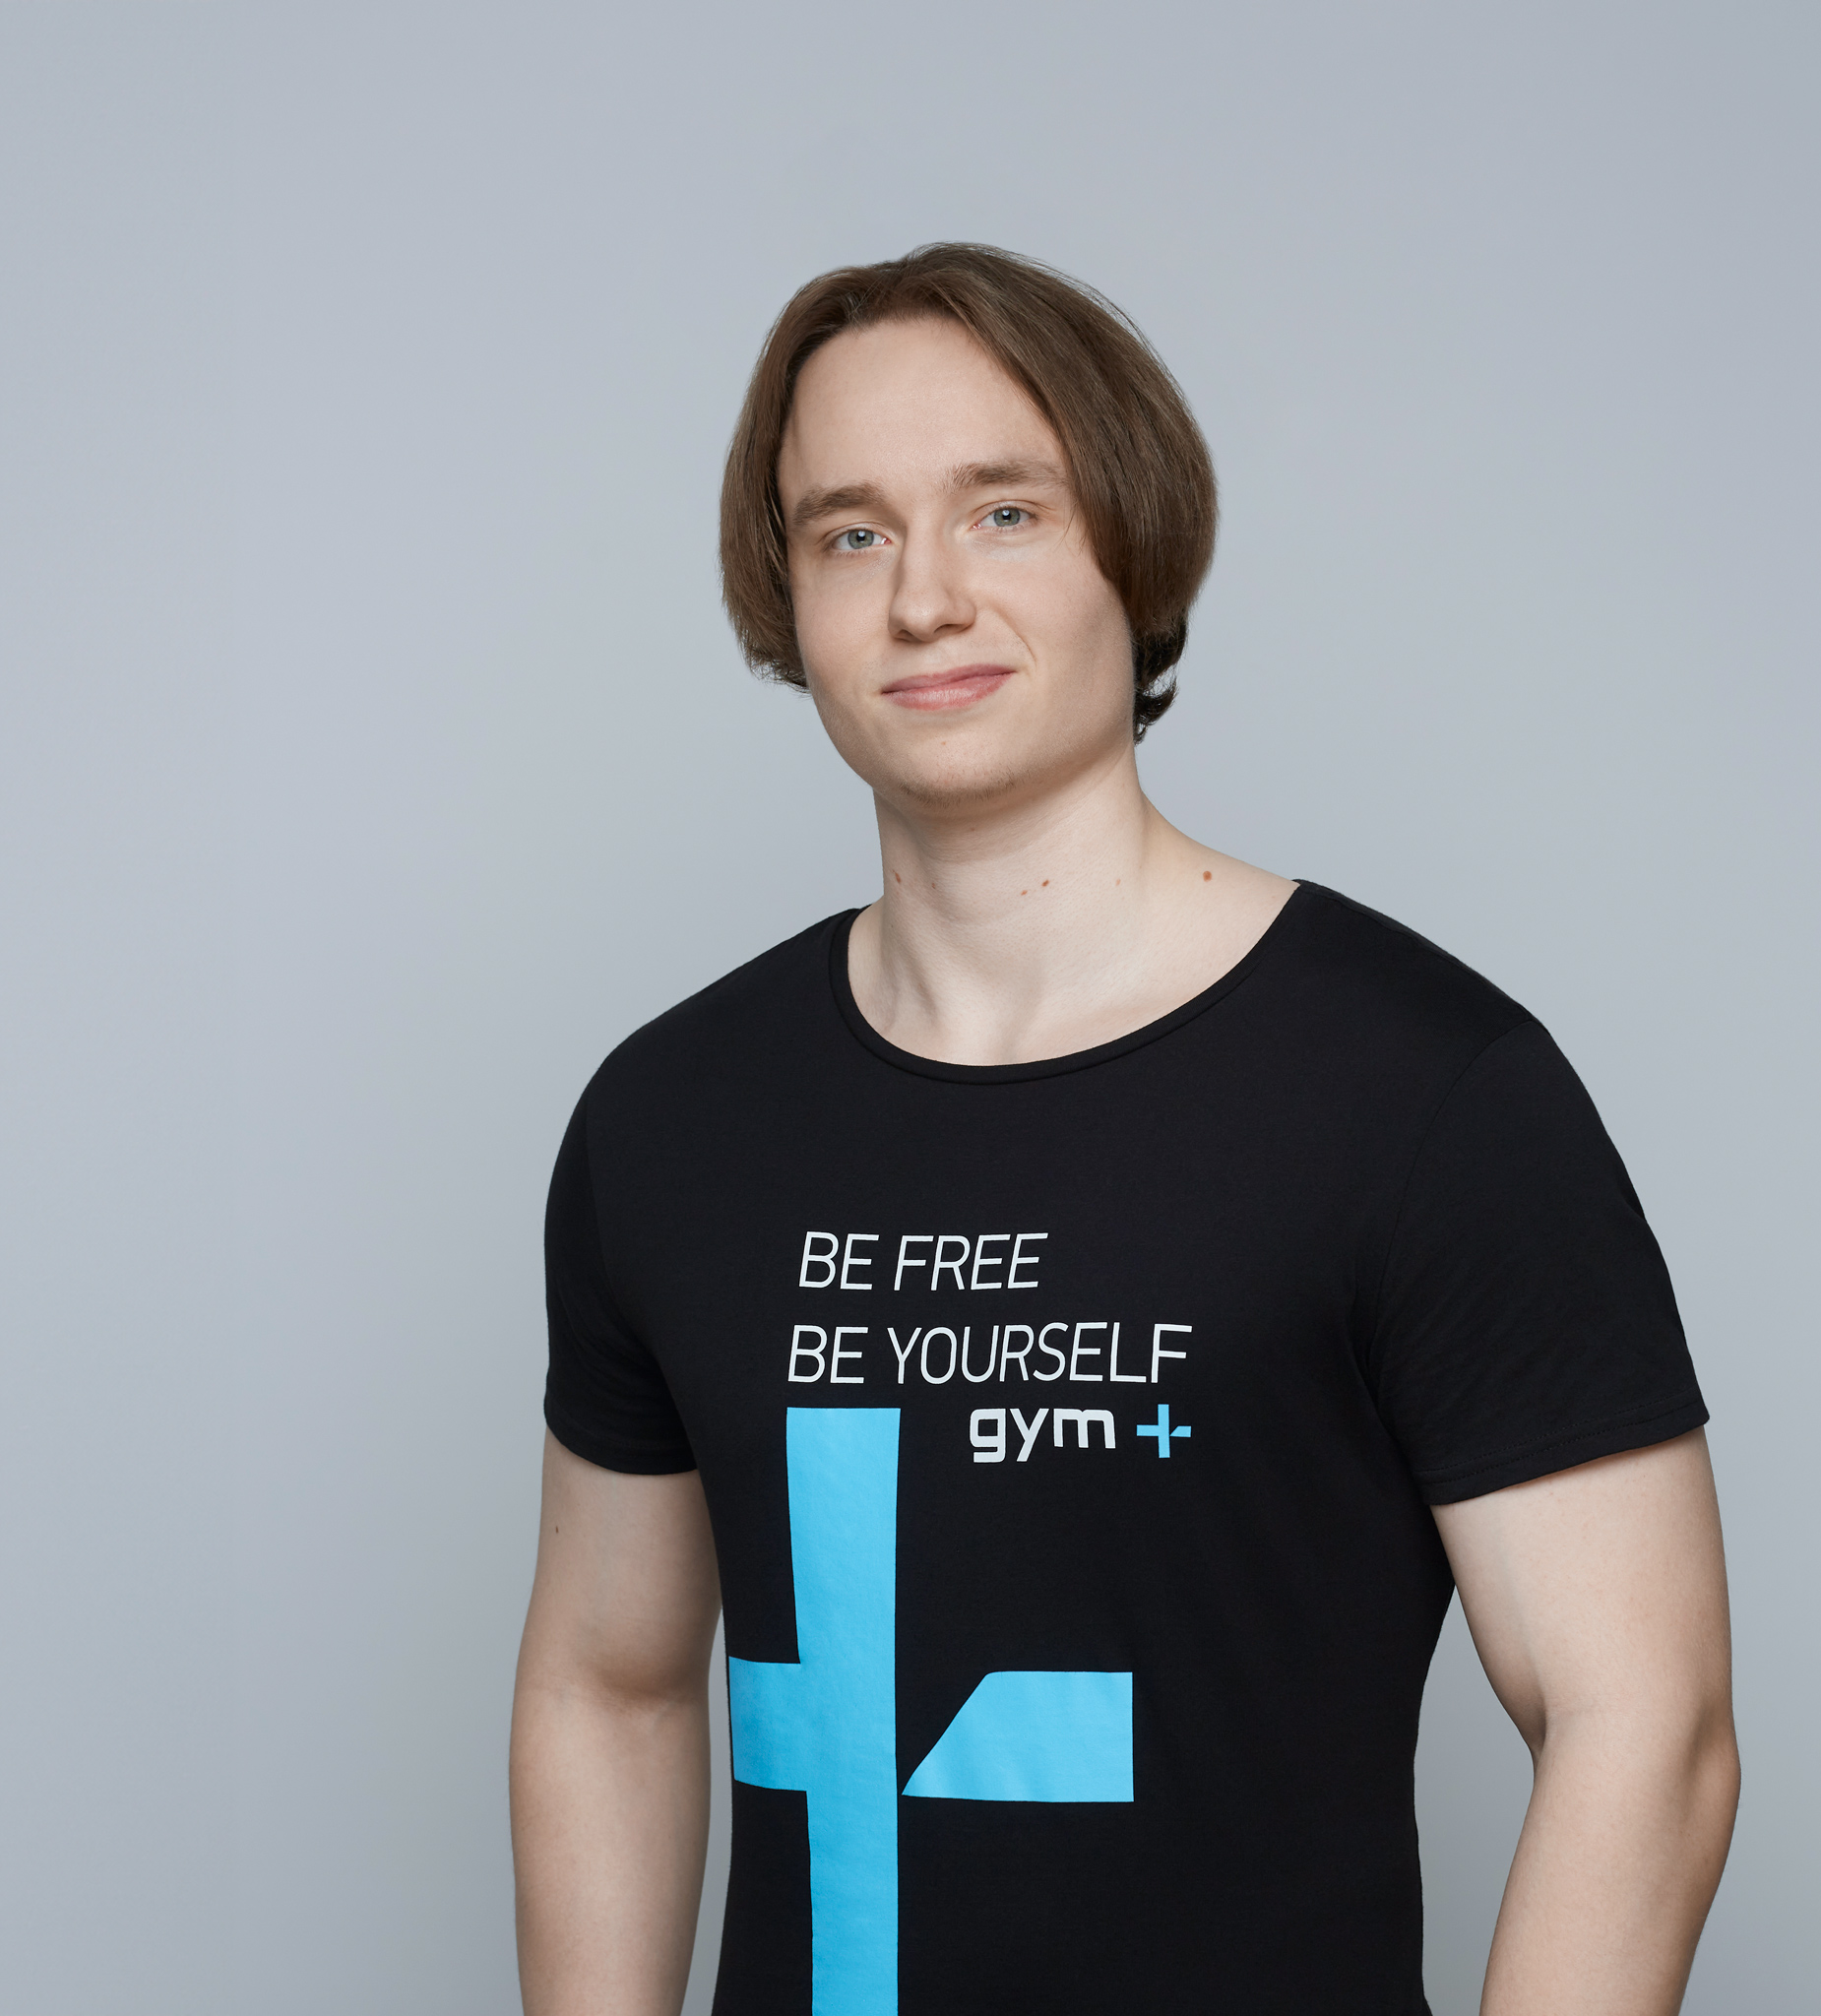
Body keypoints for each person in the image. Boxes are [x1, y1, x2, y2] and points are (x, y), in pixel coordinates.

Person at [508, 243, 1738, 2016]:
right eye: (850, 534)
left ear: (1133, 550)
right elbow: (609, 1686)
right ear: (787, 599)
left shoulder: (1424, 1094)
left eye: (1003, 512)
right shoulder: (669, 1120)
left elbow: (1648, 1727)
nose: (925, 597)